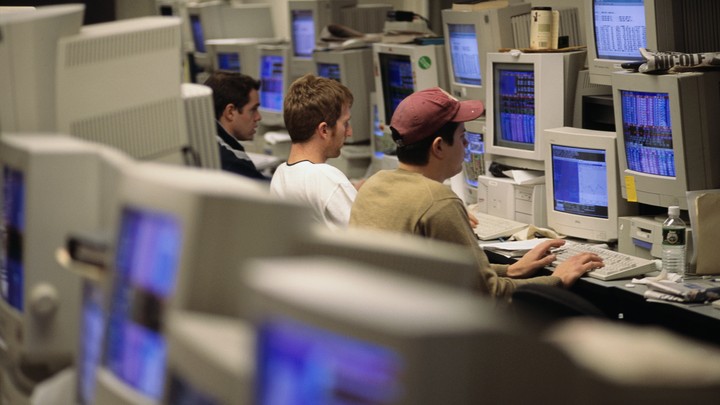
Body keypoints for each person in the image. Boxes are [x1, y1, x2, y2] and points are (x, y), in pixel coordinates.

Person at [350, 87, 604, 299]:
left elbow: (445, 271)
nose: (467, 144)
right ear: (439, 147)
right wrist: (557, 279)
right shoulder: (437, 200)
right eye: (462, 137)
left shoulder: (374, 184)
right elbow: (489, 295)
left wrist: (511, 269)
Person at [270, 74, 358, 230]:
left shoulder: (280, 174)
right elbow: (369, 238)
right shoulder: (326, 178)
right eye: (345, 124)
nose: (349, 132)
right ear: (324, 129)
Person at [204, 72, 268, 181]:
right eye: (253, 110)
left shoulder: (206, 140)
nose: (258, 117)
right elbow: (267, 192)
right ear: (230, 112)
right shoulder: (231, 161)